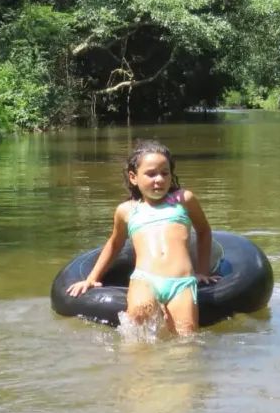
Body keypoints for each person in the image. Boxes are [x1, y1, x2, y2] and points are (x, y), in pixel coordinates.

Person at [66, 140, 216, 335]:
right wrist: (91, 278)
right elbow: (115, 244)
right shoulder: (127, 210)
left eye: (165, 173)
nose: (159, 179)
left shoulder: (183, 200)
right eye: (151, 173)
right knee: (137, 332)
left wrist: (202, 271)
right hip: (145, 280)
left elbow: (204, 231)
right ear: (133, 177)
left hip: (181, 282)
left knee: (186, 340)